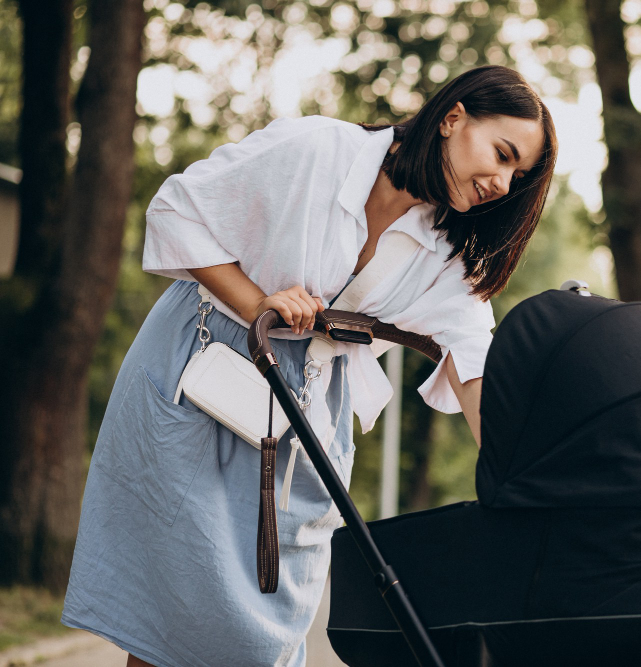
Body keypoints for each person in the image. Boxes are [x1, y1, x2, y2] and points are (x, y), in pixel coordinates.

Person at [61, 65, 557, 667]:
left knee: (259, 636)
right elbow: (176, 210)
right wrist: (258, 303)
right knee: (171, 622)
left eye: (517, 174)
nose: (503, 183)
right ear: (454, 117)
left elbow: (473, 360)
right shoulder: (319, 150)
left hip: (305, 416)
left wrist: (511, 481)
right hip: (207, 371)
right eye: (502, 154)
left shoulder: (448, 252)